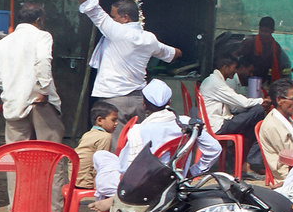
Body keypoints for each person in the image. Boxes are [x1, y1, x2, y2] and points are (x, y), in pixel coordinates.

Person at [64, 0, 178, 118]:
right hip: (139, 100)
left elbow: (93, 10)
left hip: (114, 99)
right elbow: (172, 54)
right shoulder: (149, 39)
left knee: (117, 140)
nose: (111, 20)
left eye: (113, 17)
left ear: (125, 18)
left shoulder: (117, 32)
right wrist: (180, 52)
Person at [92, 79, 220, 200]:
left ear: (143, 104)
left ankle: (110, 203)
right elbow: (215, 149)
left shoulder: (138, 131)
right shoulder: (187, 123)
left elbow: (126, 169)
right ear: (169, 102)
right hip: (176, 182)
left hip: (144, 188)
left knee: (101, 159)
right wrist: (192, 172)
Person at [0, 3, 62, 142]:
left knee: (17, 154)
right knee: (49, 152)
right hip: (39, 100)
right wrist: (44, 90)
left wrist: (14, 87)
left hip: (14, 103)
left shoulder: (3, 42)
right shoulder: (42, 36)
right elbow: (43, 61)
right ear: (39, 20)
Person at [197, 45, 271, 173]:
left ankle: (247, 163)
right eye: (233, 68)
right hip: (218, 125)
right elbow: (242, 102)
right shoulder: (216, 83)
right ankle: (251, 162)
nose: (234, 72)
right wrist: (262, 101)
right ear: (225, 68)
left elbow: (234, 105)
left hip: (218, 121)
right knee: (258, 111)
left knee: (253, 125)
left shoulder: (213, 80)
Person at [72, 101, 120, 192]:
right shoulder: (105, 137)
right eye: (113, 120)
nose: (116, 123)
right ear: (100, 120)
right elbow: (101, 164)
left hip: (75, 179)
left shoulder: (88, 134)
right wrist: (97, 185)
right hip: (87, 181)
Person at [237, 16, 288, 97]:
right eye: (262, 31)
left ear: (272, 31)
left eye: (266, 31)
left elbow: (277, 67)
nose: (263, 34)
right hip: (244, 81)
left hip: (262, 81)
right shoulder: (249, 43)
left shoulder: (275, 47)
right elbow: (238, 57)